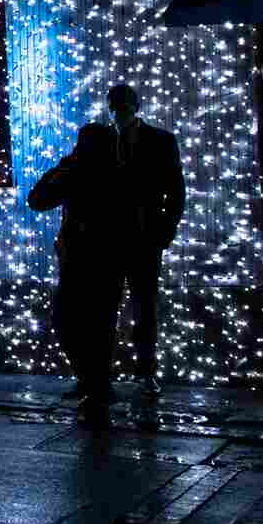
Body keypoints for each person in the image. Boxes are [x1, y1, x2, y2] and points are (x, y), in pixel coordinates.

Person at [28, 122, 125, 429]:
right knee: (100, 322)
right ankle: (96, 384)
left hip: (84, 257)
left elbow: (38, 198)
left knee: (70, 320)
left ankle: (93, 382)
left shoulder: (80, 171)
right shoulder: (120, 171)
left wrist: (63, 165)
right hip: (107, 257)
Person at [107, 83, 186, 397]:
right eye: (116, 105)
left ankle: (146, 372)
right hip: (109, 239)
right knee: (106, 308)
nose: (120, 111)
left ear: (134, 107)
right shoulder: (103, 140)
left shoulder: (161, 141)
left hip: (144, 237)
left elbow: (175, 188)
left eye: (124, 105)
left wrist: (165, 229)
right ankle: (105, 375)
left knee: (145, 307)